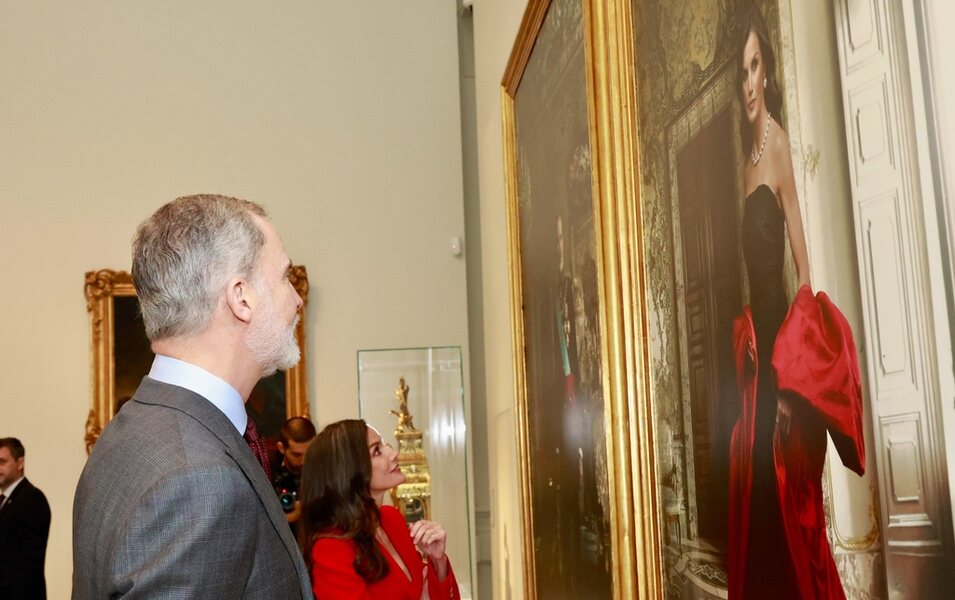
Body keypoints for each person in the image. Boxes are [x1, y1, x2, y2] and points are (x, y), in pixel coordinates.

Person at [72, 195, 311, 598]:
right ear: (241, 297)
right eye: (284, 277)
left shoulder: (128, 431)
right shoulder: (197, 480)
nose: (297, 298)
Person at [727, 16, 866, 600]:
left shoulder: (778, 146)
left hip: (780, 354)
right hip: (756, 354)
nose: (749, 82)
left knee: (782, 494)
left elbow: (803, 274)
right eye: (741, 72)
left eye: (756, 66)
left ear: (771, 72)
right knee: (755, 492)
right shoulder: (745, 162)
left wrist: (790, 380)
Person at [298, 419, 459, 599]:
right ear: (349, 472)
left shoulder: (391, 518)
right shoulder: (331, 548)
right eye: (377, 451)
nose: (394, 453)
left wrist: (438, 561)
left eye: (384, 445)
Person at [0, 437, 51, 599]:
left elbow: (28, 566)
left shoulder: (32, 499)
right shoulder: (5, 500)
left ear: (20, 463)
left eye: (2, 462)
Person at [272, 416, 317, 528]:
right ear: (281, 448)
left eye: (309, 453)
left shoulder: (324, 468)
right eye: (296, 455)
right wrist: (292, 517)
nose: (303, 461)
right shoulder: (266, 469)